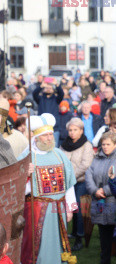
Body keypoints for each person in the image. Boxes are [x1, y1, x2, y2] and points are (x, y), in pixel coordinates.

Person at [20, 113, 77, 264]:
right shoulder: (26, 156)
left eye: (51, 134)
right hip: (38, 212)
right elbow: (18, 189)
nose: (50, 138)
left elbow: (69, 184)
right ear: (36, 137)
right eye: (45, 135)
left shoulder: (60, 155)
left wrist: (70, 208)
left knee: (59, 244)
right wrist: (25, 174)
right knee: (40, 246)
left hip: (59, 211)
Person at [85, 131, 116, 264]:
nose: (105, 147)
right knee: (104, 238)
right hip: (100, 203)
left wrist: (105, 190)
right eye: (103, 144)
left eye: (108, 144)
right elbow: (89, 175)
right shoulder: (97, 158)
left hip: (115, 203)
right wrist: (95, 190)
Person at [60, 117, 95, 251]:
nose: (72, 132)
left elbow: (86, 165)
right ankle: (72, 233)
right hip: (66, 182)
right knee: (68, 208)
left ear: (81, 130)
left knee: (79, 209)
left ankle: (80, 237)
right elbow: (59, 159)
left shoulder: (87, 145)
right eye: (70, 130)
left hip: (80, 181)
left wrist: (70, 177)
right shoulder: (64, 144)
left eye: (75, 130)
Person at [32, 79, 65, 146]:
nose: (48, 89)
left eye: (50, 88)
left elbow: (61, 94)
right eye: (47, 88)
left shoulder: (56, 99)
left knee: (54, 147)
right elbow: (34, 93)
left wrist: (57, 85)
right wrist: (41, 86)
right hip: (42, 127)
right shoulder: (40, 99)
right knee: (42, 146)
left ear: (53, 90)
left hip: (54, 128)